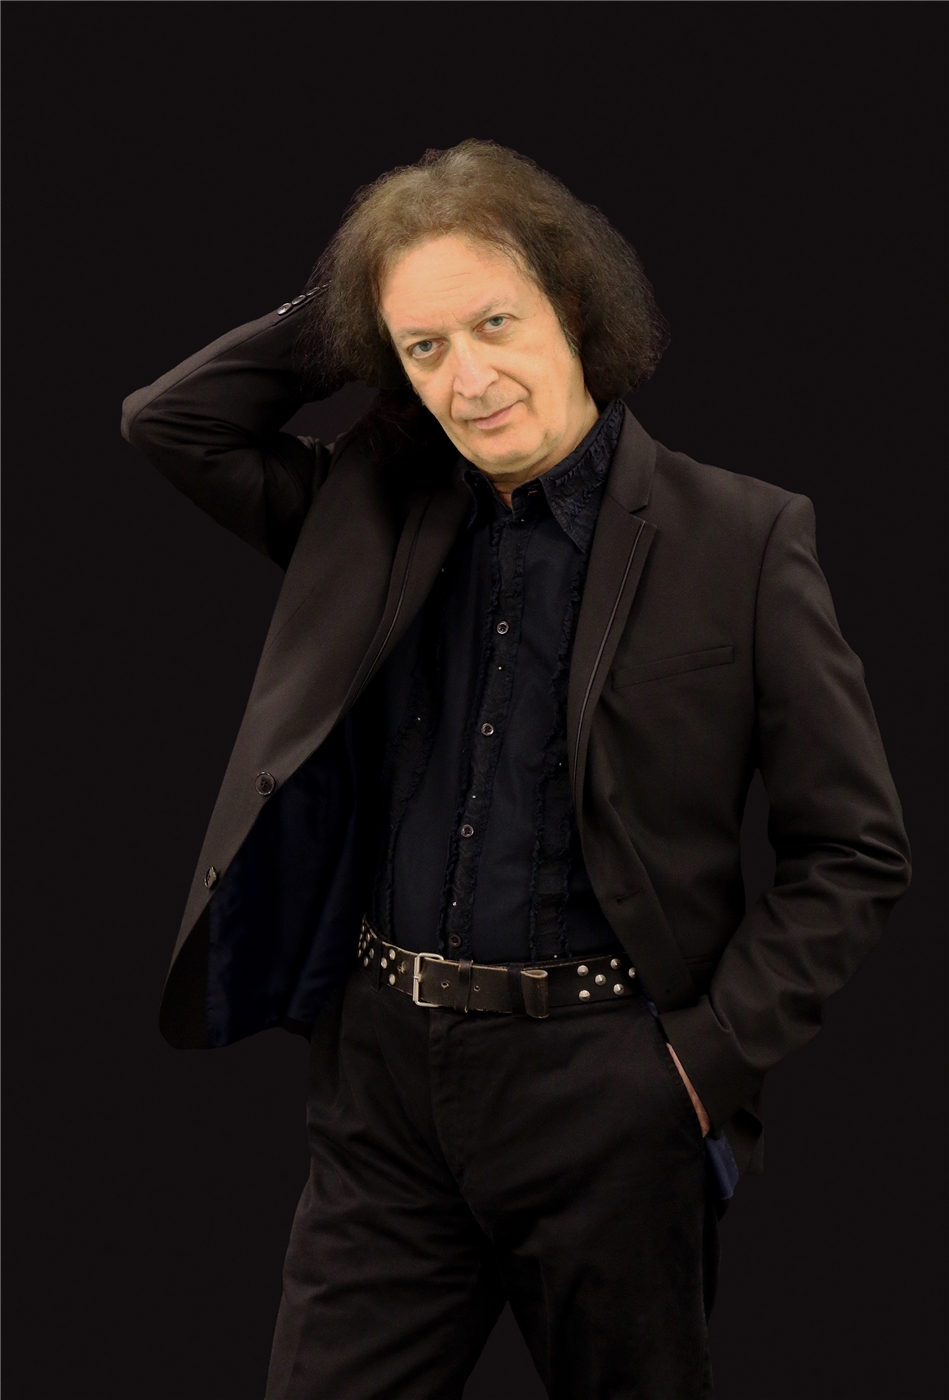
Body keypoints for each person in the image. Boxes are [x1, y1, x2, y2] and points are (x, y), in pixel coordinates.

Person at [121, 140, 910, 1399]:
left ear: (574, 306)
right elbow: (171, 420)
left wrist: (700, 1063)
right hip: (381, 1086)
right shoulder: (363, 507)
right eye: (424, 349)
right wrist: (370, 302)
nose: (469, 379)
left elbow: (854, 849)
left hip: (610, 1087)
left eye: (495, 322)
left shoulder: (746, 537)